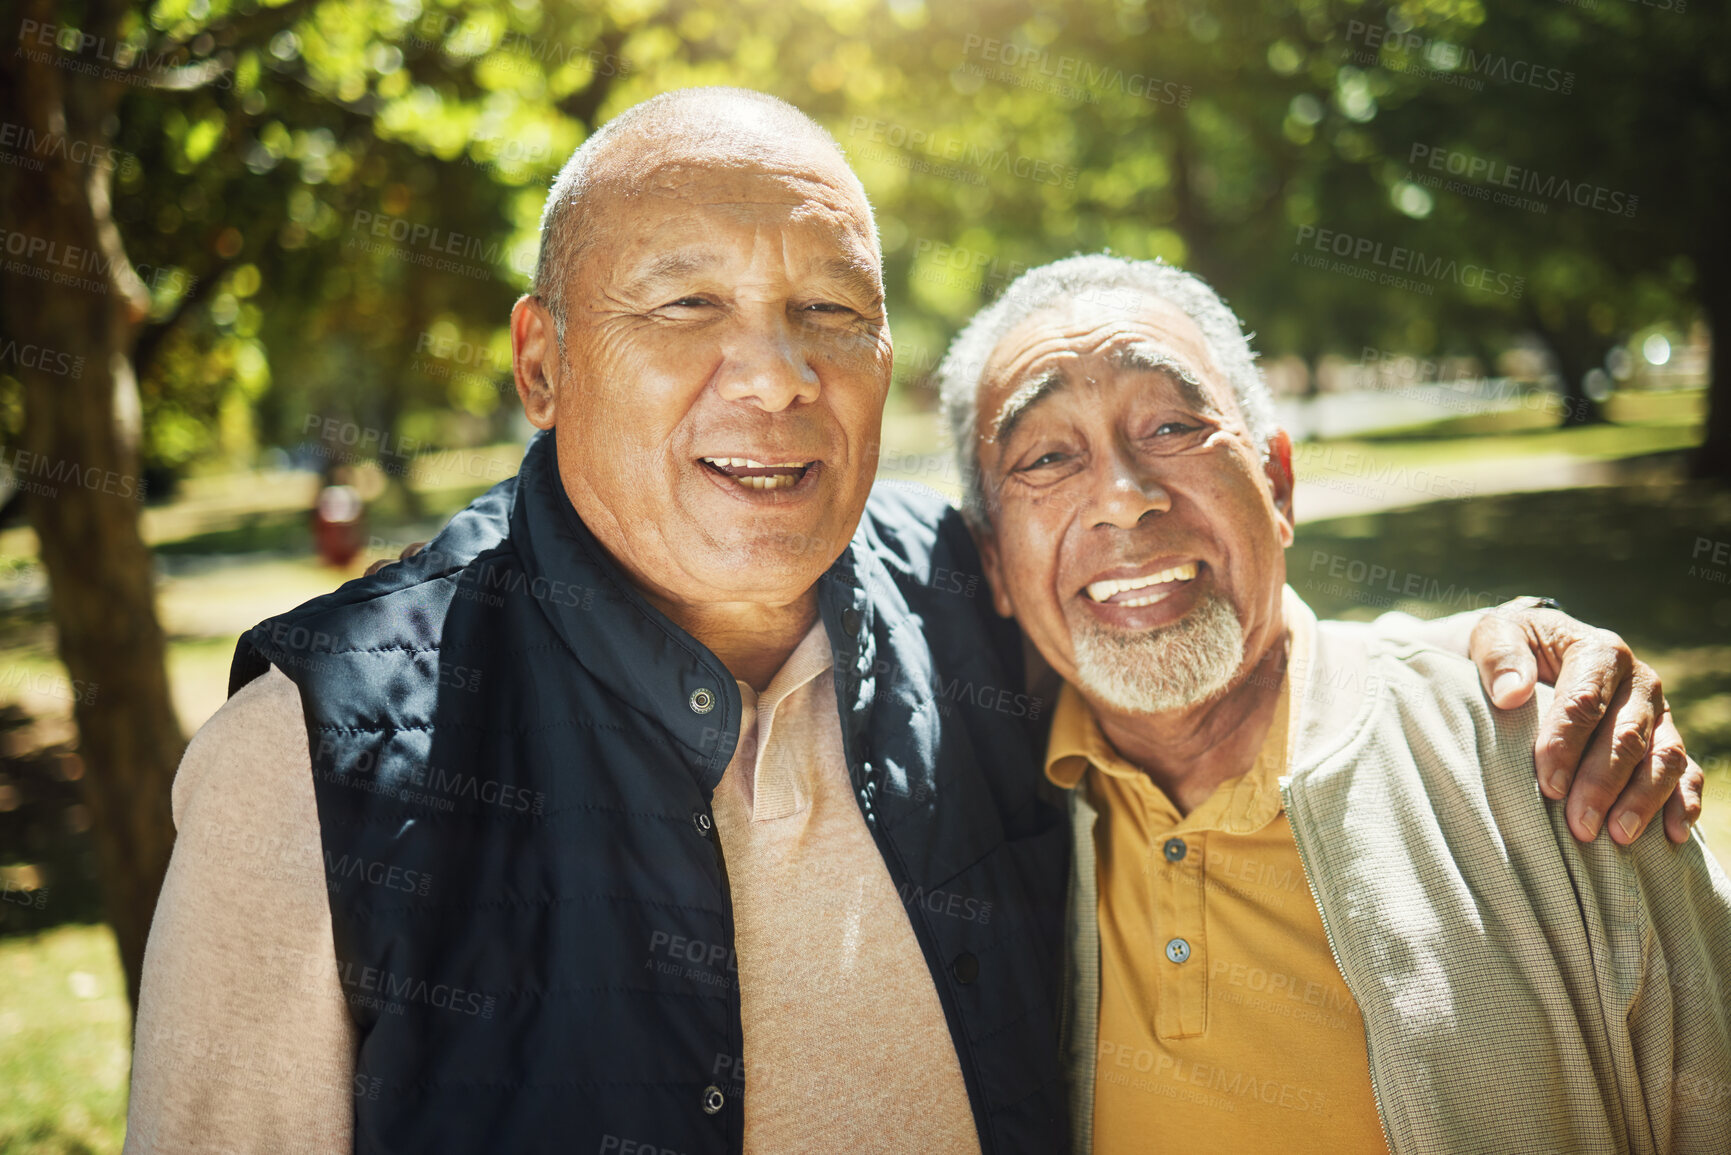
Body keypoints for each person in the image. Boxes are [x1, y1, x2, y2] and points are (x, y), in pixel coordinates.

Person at [124, 90, 1702, 1155]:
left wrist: (1509, 647)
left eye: (830, 311)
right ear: (541, 364)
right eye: (684, 306)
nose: (774, 377)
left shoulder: (963, 608)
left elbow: (1188, 604)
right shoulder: (312, 764)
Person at [938, 253, 1731, 1153]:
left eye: (1168, 425)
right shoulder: (974, 831)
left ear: (1276, 482)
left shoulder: (1552, 762)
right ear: (994, 562)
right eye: (1045, 454)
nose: (1124, 498)